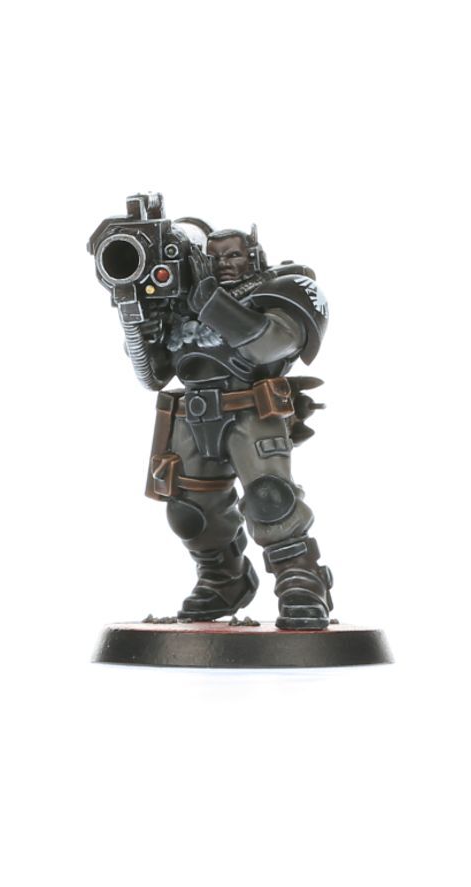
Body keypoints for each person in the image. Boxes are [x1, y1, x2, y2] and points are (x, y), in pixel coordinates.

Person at [143, 226, 333, 630]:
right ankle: (223, 579)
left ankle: (301, 580)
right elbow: (155, 372)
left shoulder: (280, 288)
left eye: (233, 255)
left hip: (252, 411)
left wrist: (213, 303)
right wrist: (142, 319)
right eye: (214, 258)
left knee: (270, 499)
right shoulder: (182, 301)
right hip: (192, 415)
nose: (224, 264)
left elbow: (272, 344)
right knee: (190, 512)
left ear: (254, 256)